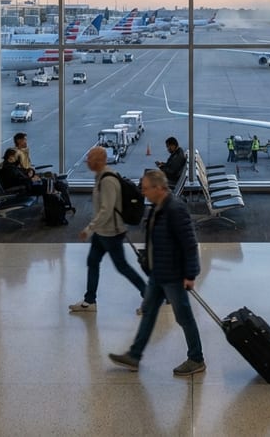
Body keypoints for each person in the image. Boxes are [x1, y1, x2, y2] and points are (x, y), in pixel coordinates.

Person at [109, 169, 205, 376]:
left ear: (159, 187)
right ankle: (134, 355)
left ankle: (196, 358)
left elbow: (189, 244)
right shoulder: (158, 207)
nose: (143, 192)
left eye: (146, 189)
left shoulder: (175, 209)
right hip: (158, 273)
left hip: (173, 275)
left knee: (184, 317)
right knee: (149, 312)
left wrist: (190, 275)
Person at [69, 147, 146, 314]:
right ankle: (89, 301)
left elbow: (106, 210)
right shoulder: (100, 176)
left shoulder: (108, 180)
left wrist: (89, 229)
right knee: (93, 262)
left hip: (112, 232)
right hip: (102, 232)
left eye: (91, 157)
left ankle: (149, 295)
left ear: (100, 160)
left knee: (122, 266)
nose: (87, 160)